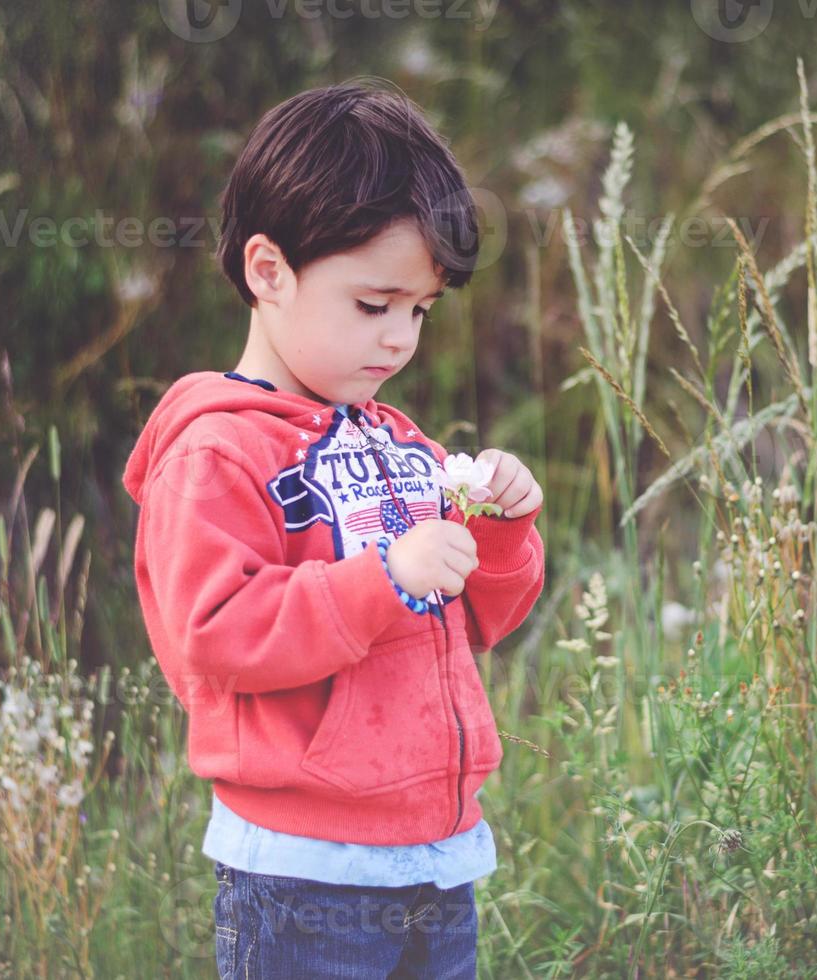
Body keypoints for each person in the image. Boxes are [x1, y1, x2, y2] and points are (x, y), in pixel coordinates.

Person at [120, 80, 545, 979]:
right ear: (269, 271)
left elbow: (477, 623)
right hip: (306, 874)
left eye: (420, 312)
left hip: (437, 853)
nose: (399, 339)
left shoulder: (397, 441)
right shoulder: (217, 452)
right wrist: (385, 576)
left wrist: (500, 530)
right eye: (373, 304)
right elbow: (214, 635)